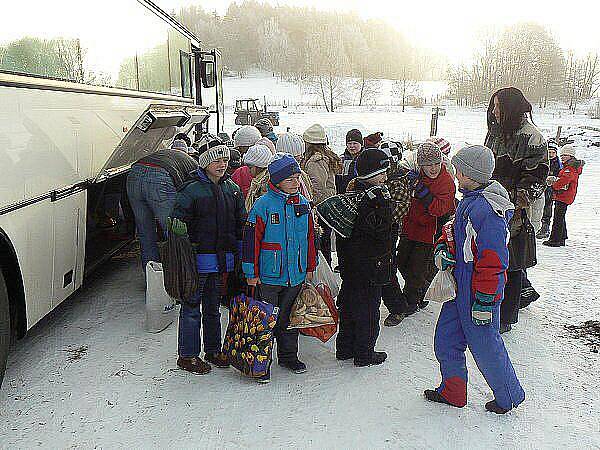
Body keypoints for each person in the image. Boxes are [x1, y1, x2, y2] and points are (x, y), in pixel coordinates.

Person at [425, 144, 525, 415]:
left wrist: (485, 300)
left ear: (470, 174)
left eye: (458, 171)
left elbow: (493, 261)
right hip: (460, 285)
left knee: (485, 346)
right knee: (445, 340)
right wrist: (445, 249)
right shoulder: (470, 201)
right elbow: (455, 232)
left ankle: (509, 396)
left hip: (479, 290)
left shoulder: (488, 211)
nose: (455, 175)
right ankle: (453, 391)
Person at [169, 144, 247, 375]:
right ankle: (188, 355)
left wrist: (240, 253)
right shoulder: (191, 191)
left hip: (220, 259)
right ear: (204, 163)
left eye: (225, 160)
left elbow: (240, 223)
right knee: (192, 307)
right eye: (217, 161)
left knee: (213, 308)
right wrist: (184, 252)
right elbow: (176, 224)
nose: (222, 164)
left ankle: (213, 350)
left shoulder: (232, 189)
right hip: (196, 260)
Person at [242, 153, 318, 383]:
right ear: (276, 181)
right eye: (291, 179)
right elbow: (250, 241)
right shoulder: (263, 205)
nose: (296, 183)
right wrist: (250, 273)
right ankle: (260, 363)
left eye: (298, 178)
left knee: (289, 319)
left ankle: (288, 356)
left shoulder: (302, 204)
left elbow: (310, 237)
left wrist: (310, 265)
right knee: (264, 320)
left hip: (294, 275)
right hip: (268, 276)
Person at [484, 87, 549, 333]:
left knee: (510, 264)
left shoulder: (532, 138)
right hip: (489, 205)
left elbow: (536, 181)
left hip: (515, 214)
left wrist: (507, 202)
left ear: (509, 108)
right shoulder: (496, 132)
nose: (493, 111)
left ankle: (506, 318)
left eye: (497, 106)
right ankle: (490, 304)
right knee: (492, 259)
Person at [336, 148, 394, 366]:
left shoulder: (350, 196)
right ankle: (364, 353)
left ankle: (345, 348)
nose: (385, 178)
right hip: (370, 265)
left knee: (349, 306)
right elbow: (380, 233)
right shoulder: (374, 200)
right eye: (381, 174)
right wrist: (384, 206)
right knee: (369, 311)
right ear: (370, 175)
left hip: (350, 264)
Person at [397, 142, 456, 315]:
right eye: (428, 164)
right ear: (421, 164)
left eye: (436, 163)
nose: (433, 168)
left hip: (429, 233)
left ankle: (410, 302)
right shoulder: (416, 176)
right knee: (401, 262)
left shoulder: (446, 182)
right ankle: (422, 289)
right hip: (411, 227)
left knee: (417, 269)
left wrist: (421, 191)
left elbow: (439, 208)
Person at [126, 138, 198, 271]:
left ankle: (152, 276)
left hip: (134, 174)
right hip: (159, 177)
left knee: (145, 232)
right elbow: (193, 192)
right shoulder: (194, 165)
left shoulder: (168, 154)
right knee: (173, 230)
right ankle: (180, 276)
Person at [302, 123, 342, 266]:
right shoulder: (325, 157)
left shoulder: (315, 161)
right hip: (327, 205)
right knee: (324, 244)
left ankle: (323, 277)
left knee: (321, 245)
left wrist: (309, 203)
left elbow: (317, 187)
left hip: (320, 208)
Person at [543, 144, 584, 247]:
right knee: (560, 216)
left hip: (563, 196)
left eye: (564, 155)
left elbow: (564, 180)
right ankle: (562, 237)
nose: (562, 157)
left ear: (570, 156)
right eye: (561, 155)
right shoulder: (570, 167)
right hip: (565, 195)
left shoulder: (569, 168)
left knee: (558, 218)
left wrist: (554, 185)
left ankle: (555, 240)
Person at [537, 140, 562, 239]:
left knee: (547, 207)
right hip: (540, 187)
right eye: (549, 152)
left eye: (553, 152)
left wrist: (553, 179)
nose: (551, 154)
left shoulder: (558, 164)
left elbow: (560, 176)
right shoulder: (542, 160)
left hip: (551, 189)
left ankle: (545, 227)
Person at [336, 129, 363, 194]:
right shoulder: (341, 159)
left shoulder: (365, 158)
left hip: (360, 194)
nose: (352, 146)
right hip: (343, 195)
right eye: (349, 143)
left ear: (361, 144)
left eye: (355, 143)